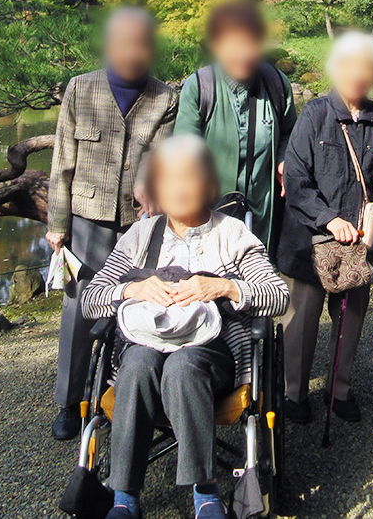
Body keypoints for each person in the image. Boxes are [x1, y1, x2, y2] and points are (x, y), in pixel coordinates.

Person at [79, 135, 290, 519]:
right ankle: (124, 497)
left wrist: (224, 287)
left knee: (182, 366)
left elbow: (278, 296)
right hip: (146, 347)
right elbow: (91, 299)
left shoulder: (231, 234)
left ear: (208, 185)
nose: (178, 188)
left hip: (211, 354)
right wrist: (132, 288)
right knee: (136, 364)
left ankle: (205, 493)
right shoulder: (140, 236)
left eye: (188, 177)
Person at [45, 7, 178, 441]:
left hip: (138, 221)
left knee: (135, 305)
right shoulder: (80, 88)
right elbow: (62, 162)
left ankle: (113, 395)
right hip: (87, 216)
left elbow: (160, 157)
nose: (133, 52)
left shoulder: (165, 97)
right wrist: (57, 223)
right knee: (79, 308)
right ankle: (70, 402)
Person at [278, 31, 373, 424]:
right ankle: (294, 393)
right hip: (310, 239)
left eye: (366, 67)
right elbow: (296, 180)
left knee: (350, 321)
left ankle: (339, 390)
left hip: (356, 242)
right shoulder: (315, 114)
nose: (358, 74)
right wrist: (329, 218)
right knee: (301, 323)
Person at [174, 0, 297, 253]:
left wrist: (283, 159)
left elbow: (289, 133)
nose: (245, 54)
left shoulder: (277, 84)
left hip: (262, 210)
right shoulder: (200, 87)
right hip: (209, 211)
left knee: (258, 268)